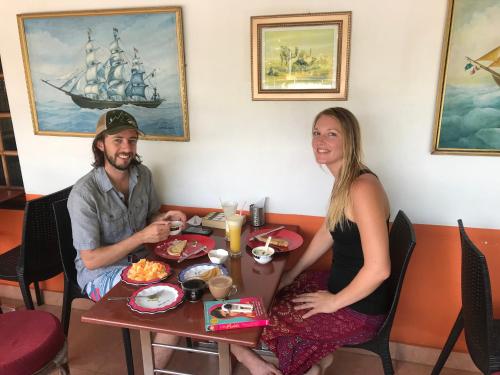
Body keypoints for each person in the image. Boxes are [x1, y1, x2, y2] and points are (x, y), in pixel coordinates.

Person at [231, 107, 391, 375]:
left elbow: (379, 269)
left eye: (331, 134)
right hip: (341, 287)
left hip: (358, 309)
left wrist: (333, 302)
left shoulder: (362, 187)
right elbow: (330, 230)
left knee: (258, 313)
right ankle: (310, 365)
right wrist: (293, 272)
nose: (320, 141)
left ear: (349, 141)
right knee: (270, 295)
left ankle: (254, 359)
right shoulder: (346, 180)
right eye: (316, 133)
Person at [68, 109, 186, 369]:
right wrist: (141, 236)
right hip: (101, 275)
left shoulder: (142, 174)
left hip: (140, 263)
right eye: (117, 140)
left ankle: (240, 354)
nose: (126, 148)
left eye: (131, 140)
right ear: (100, 144)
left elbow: (150, 214)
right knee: (171, 300)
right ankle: (151, 369)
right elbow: (91, 260)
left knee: (190, 278)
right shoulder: (84, 194)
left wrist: (165, 218)